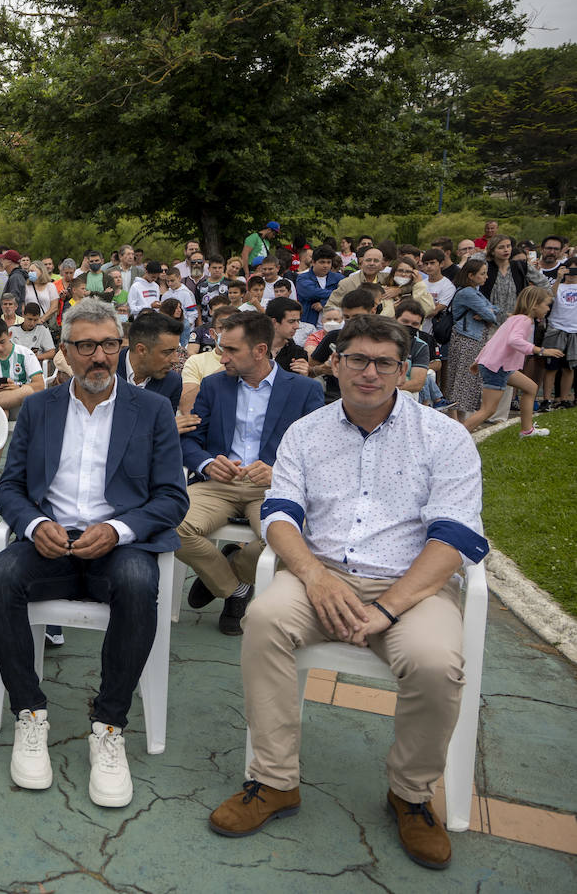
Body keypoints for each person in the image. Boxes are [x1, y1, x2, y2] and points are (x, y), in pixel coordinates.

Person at [211, 314, 489, 872]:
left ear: (404, 370)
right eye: (357, 359)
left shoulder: (444, 436)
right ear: (333, 364)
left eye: (384, 362)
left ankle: (410, 795)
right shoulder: (306, 432)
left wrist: (387, 608)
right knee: (264, 621)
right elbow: (281, 514)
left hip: (409, 586)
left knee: (436, 663)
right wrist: (313, 576)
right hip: (321, 574)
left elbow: (455, 535)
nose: (369, 372)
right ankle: (274, 781)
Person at [0, 299, 189, 807]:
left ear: (122, 347)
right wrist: (33, 523)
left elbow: (172, 497)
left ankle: (109, 724)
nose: (100, 357)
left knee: (141, 584)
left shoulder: (153, 410)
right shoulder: (39, 408)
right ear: (66, 353)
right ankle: (30, 713)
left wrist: (118, 529)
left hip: (117, 547)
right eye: (87, 346)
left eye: (109, 345)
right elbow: (8, 487)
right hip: (51, 543)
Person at [177, 311, 323, 635]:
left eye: (231, 350)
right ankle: (235, 589)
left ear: (259, 350)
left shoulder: (304, 390)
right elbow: (190, 442)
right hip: (217, 482)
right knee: (168, 523)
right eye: (220, 347)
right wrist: (206, 463)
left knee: (290, 541)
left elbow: (318, 454)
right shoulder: (214, 385)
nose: (221, 356)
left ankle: (232, 569)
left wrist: (279, 473)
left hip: (273, 488)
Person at [462, 287, 563, 436]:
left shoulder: (515, 318)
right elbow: (514, 340)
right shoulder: (524, 320)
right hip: (497, 367)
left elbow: (495, 341)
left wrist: (478, 360)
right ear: (535, 304)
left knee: (531, 388)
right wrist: (541, 350)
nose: (548, 309)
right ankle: (455, 437)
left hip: (499, 366)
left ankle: (527, 431)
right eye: (547, 304)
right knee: (488, 410)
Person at [0, 316, 45, 489]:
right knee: (1, 412)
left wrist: (15, 388)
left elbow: (39, 386)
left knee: (26, 391)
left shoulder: (25, 353)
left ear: (9, 334)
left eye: (2, 342)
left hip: (23, 404)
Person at [444, 258, 497, 416]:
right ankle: (455, 417)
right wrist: (486, 313)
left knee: (463, 377)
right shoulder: (467, 293)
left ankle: (459, 417)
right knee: (462, 378)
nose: (486, 277)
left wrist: (486, 312)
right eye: (482, 274)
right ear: (471, 275)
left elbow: (494, 309)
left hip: (472, 338)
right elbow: (492, 315)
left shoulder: (474, 292)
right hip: (467, 338)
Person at [309, 288, 378, 404]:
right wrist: (322, 369)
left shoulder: (385, 340)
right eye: (347, 317)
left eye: (356, 317)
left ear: (373, 311)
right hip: (335, 398)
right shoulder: (333, 338)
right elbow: (310, 369)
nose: (351, 322)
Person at [540, 263, 576, 409]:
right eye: (569, 269)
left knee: (569, 367)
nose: (572, 273)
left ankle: (563, 398)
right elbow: (549, 297)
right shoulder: (558, 286)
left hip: (574, 331)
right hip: (556, 328)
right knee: (551, 367)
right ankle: (547, 399)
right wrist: (559, 278)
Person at [294, 245, 343, 326]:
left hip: (334, 324)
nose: (326, 265)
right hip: (309, 324)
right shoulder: (302, 278)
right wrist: (336, 293)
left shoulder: (339, 278)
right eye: (322, 262)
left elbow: (346, 295)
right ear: (313, 262)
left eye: (328, 262)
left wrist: (324, 304)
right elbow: (311, 293)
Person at [265, 297, 310, 375]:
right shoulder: (253, 349)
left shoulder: (299, 354)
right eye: (291, 321)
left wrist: (304, 377)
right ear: (274, 322)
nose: (297, 326)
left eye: (298, 321)